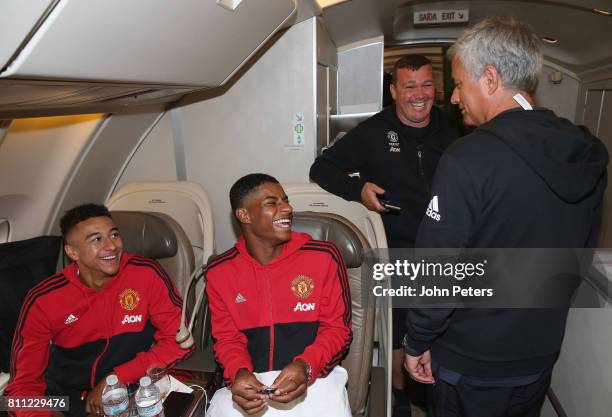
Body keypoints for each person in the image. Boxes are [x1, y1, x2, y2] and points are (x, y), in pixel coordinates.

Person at [403, 16, 608, 417]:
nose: (455, 98)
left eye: (459, 84)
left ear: (491, 79)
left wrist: (416, 341)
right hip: (538, 354)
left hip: (470, 361)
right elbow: (581, 253)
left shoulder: (468, 158)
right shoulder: (585, 152)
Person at [310, 54, 460, 415]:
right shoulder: (374, 132)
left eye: (426, 85)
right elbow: (322, 167)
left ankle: (439, 395)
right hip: (399, 250)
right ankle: (401, 400)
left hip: (449, 247)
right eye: (409, 86)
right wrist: (358, 189)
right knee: (401, 333)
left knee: (447, 326)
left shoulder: (455, 127)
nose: (419, 94)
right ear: (394, 91)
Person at [5, 204, 192, 417]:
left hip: (134, 391)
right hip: (66, 400)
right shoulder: (43, 299)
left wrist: (118, 376)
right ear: (72, 251)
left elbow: (179, 344)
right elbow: (22, 387)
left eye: (114, 234)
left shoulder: (146, 274)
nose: (111, 245)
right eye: (96, 239)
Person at [205, 173, 352, 417]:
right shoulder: (220, 271)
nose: (287, 208)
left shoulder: (323, 256)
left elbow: (338, 330)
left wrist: (305, 366)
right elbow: (227, 339)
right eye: (272, 203)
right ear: (244, 215)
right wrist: (238, 372)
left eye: (285, 200)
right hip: (254, 383)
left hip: (315, 377)